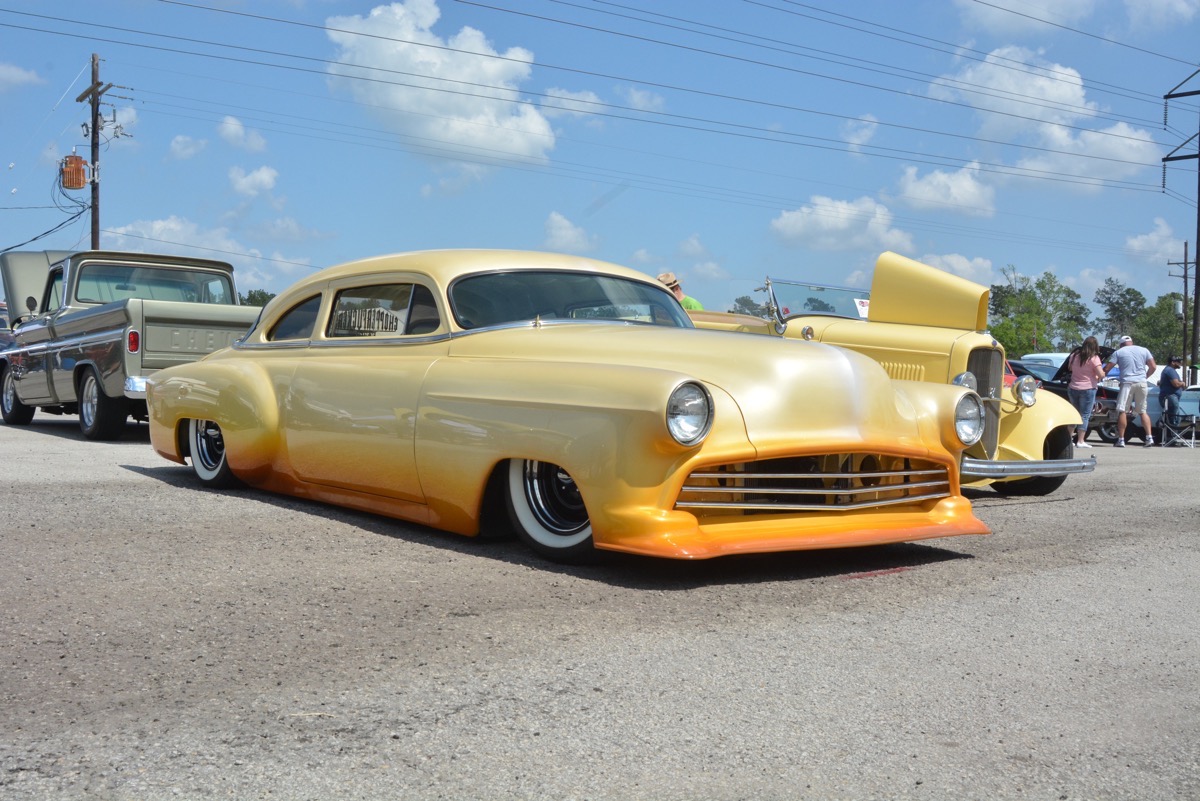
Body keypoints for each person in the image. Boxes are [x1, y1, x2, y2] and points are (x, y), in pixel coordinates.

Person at [1102, 335, 1156, 448]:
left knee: (1122, 411)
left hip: (1127, 383)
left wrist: (1101, 376)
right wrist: (1145, 376)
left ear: (1121, 344)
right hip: (1141, 382)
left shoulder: (1119, 352)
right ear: (1132, 342)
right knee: (1142, 411)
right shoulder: (1144, 350)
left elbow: (1108, 368)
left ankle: (1121, 439)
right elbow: (1153, 366)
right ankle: (1149, 438)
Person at [1064, 336, 1106, 448]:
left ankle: (1069, 440)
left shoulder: (1074, 356)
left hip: (1073, 387)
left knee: (1074, 413)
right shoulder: (1094, 358)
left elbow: (1070, 368)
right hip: (1088, 388)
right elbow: (1101, 374)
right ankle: (1080, 441)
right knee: (1085, 415)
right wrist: (1098, 375)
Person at [1158, 354, 1186, 429]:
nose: (1180, 363)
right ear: (1173, 362)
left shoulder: (1168, 370)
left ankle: (1168, 432)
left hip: (1170, 396)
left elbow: (1160, 382)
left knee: (1172, 416)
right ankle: (1171, 436)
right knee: (1174, 418)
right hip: (1170, 396)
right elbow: (1176, 384)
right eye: (1178, 361)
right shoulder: (1170, 370)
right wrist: (1182, 383)